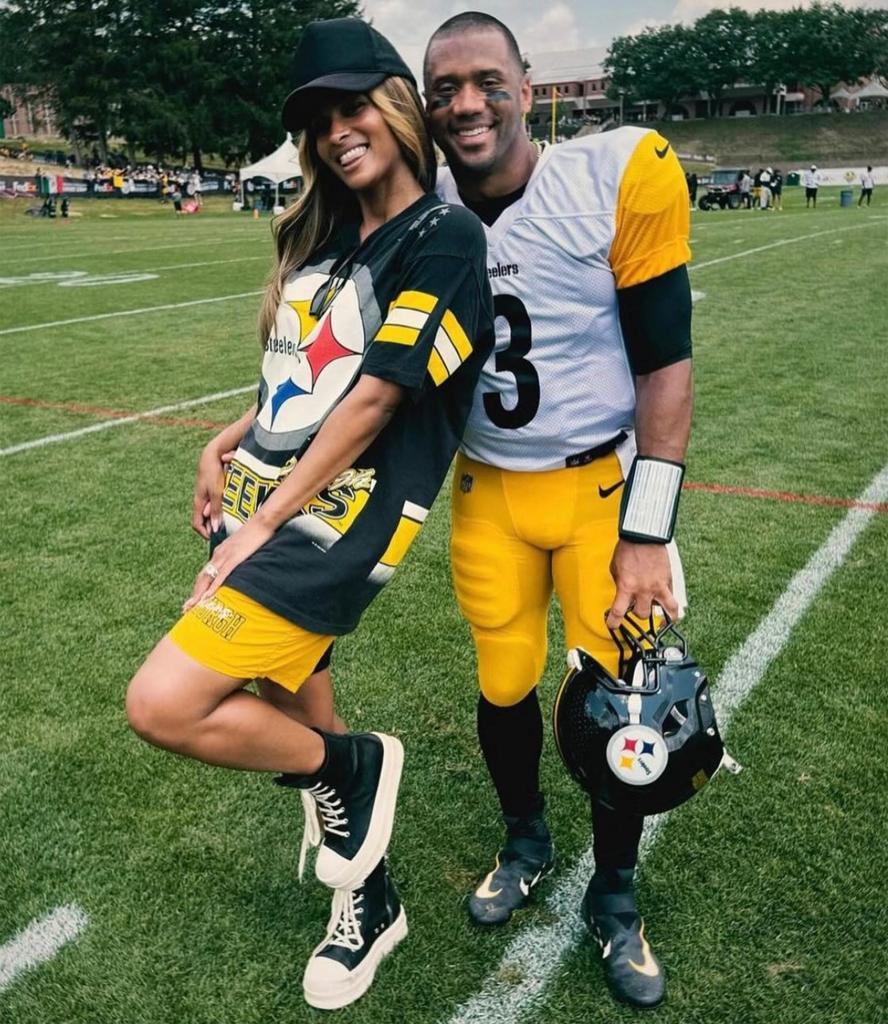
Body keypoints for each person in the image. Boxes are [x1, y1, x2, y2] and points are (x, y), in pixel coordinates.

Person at [126, 17, 492, 1012]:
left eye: (354, 106)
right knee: (295, 716)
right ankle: (368, 902)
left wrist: (259, 524)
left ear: (398, 104)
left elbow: (377, 397)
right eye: (318, 121)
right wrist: (224, 439)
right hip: (265, 497)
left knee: (164, 702)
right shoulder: (329, 236)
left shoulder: (446, 238)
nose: (337, 132)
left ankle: (360, 766)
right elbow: (301, 383)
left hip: (335, 522)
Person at [423, 12, 692, 1010]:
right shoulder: (425, 206)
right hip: (489, 489)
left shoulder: (609, 177)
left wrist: (648, 530)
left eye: (486, 80)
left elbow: (667, 367)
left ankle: (616, 894)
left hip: (600, 493)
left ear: (526, 88)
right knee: (503, 682)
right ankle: (526, 839)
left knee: (623, 701)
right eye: (443, 86)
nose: (465, 102)